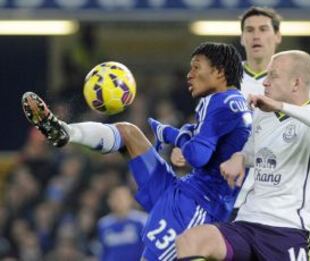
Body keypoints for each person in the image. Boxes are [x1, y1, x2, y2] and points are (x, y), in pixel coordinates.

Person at [21, 42, 252, 260]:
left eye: (196, 67)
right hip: (183, 190)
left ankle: (66, 132)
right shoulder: (230, 102)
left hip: (197, 206)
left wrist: (175, 136)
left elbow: (197, 155)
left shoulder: (220, 102)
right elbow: (211, 149)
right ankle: (64, 132)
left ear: (220, 72)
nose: (189, 74)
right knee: (128, 133)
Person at [174, 50, 310, 260]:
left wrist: (280, 105)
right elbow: (252, 150)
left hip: (288, 231)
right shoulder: (264, 114)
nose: (265, 82)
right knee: (191, 241)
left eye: (273, 75)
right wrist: (240, 158)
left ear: (296, 83)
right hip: (247, 223)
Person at [171, 6, 310, 217]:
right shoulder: (222, 79)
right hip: (224, 191)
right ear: (242, 37)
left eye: (263, 29)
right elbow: (205, 128)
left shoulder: (297, 81)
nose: (256, 35)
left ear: (278, 36)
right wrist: (185, 145)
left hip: (279, 194)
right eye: (250, 30)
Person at [97, 186, 147, 261]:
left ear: (130, 200)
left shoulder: (142, 221)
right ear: (109, 201)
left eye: (123, 197)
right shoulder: (103, 224)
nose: (120, 201)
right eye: (116, 198)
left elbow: (148, 250)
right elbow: (103, 252)